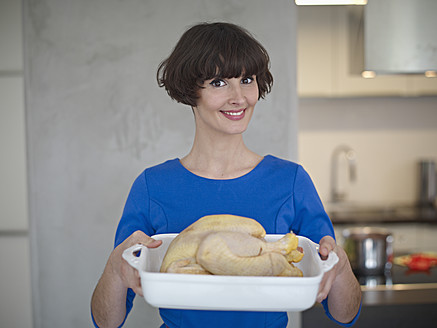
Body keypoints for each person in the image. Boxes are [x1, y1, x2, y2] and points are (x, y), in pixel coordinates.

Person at [91, 22, 362, 328]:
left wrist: (340, 267)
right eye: (219, 82)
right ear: (189, 90)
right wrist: (115, 267)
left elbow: (345, 314)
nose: (239, 97)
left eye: (247, 79)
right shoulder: (153, 186)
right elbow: (107, 322)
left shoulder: (290, 182)